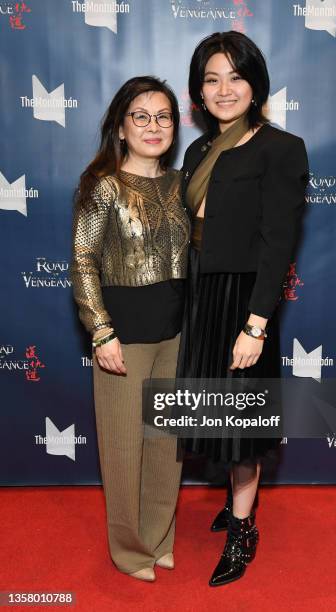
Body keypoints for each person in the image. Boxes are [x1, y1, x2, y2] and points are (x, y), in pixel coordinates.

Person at [177, 31, 309, 586]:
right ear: (198, 92)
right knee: (213, 415)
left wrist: (256, 324)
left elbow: (279, 242)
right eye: (211, 78)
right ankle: (235, 504)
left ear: (256, 85)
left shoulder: (281, 148)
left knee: (242, 427)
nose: (223, 88)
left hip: (244, 302)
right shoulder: (198, 150)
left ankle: (243, 527)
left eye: (235, 76)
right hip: (202, 295)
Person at [70, 76, 190, 582]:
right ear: (120, 126)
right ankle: (129, 550)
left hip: (178, 331)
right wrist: (101, 332)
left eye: (163, 116)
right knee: (124, 449)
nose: (153, 125)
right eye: (140, 115)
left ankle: (159, 537)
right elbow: (83, 261)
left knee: (167, 446)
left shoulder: (185, 182)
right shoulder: (104, 185)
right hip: (125, 335)